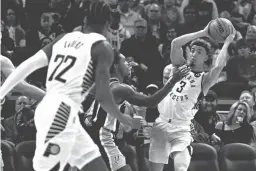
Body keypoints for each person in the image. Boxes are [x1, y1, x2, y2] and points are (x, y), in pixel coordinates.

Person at [0, 1, 141, 171]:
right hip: (61, 111)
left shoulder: (64, 38)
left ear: (84, 21)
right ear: (107, 25)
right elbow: (103, 96)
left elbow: (27, 66)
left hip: (56, 110)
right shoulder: (103, 47)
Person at [149, 21, 236, 171]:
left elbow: (219, 66)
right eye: (192, 50)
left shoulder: (204, 80)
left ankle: (186, 149)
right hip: (161, 124)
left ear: (206, 58)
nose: (194, 54)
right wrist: (203, 32)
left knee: (181, 168)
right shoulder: (179, 66)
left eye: (199, 52)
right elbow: (176, 43)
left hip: (181, 127)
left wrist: (227, 42)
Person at [86, 52, 189, 171]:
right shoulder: (120, 88)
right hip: (103, 137)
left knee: (131, 154)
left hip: (100, 136)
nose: (129, 64)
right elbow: (151, 102)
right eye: (124, 61)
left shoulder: (103, 84)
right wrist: (173, 80)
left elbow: (89, 112)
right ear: (115, 66)